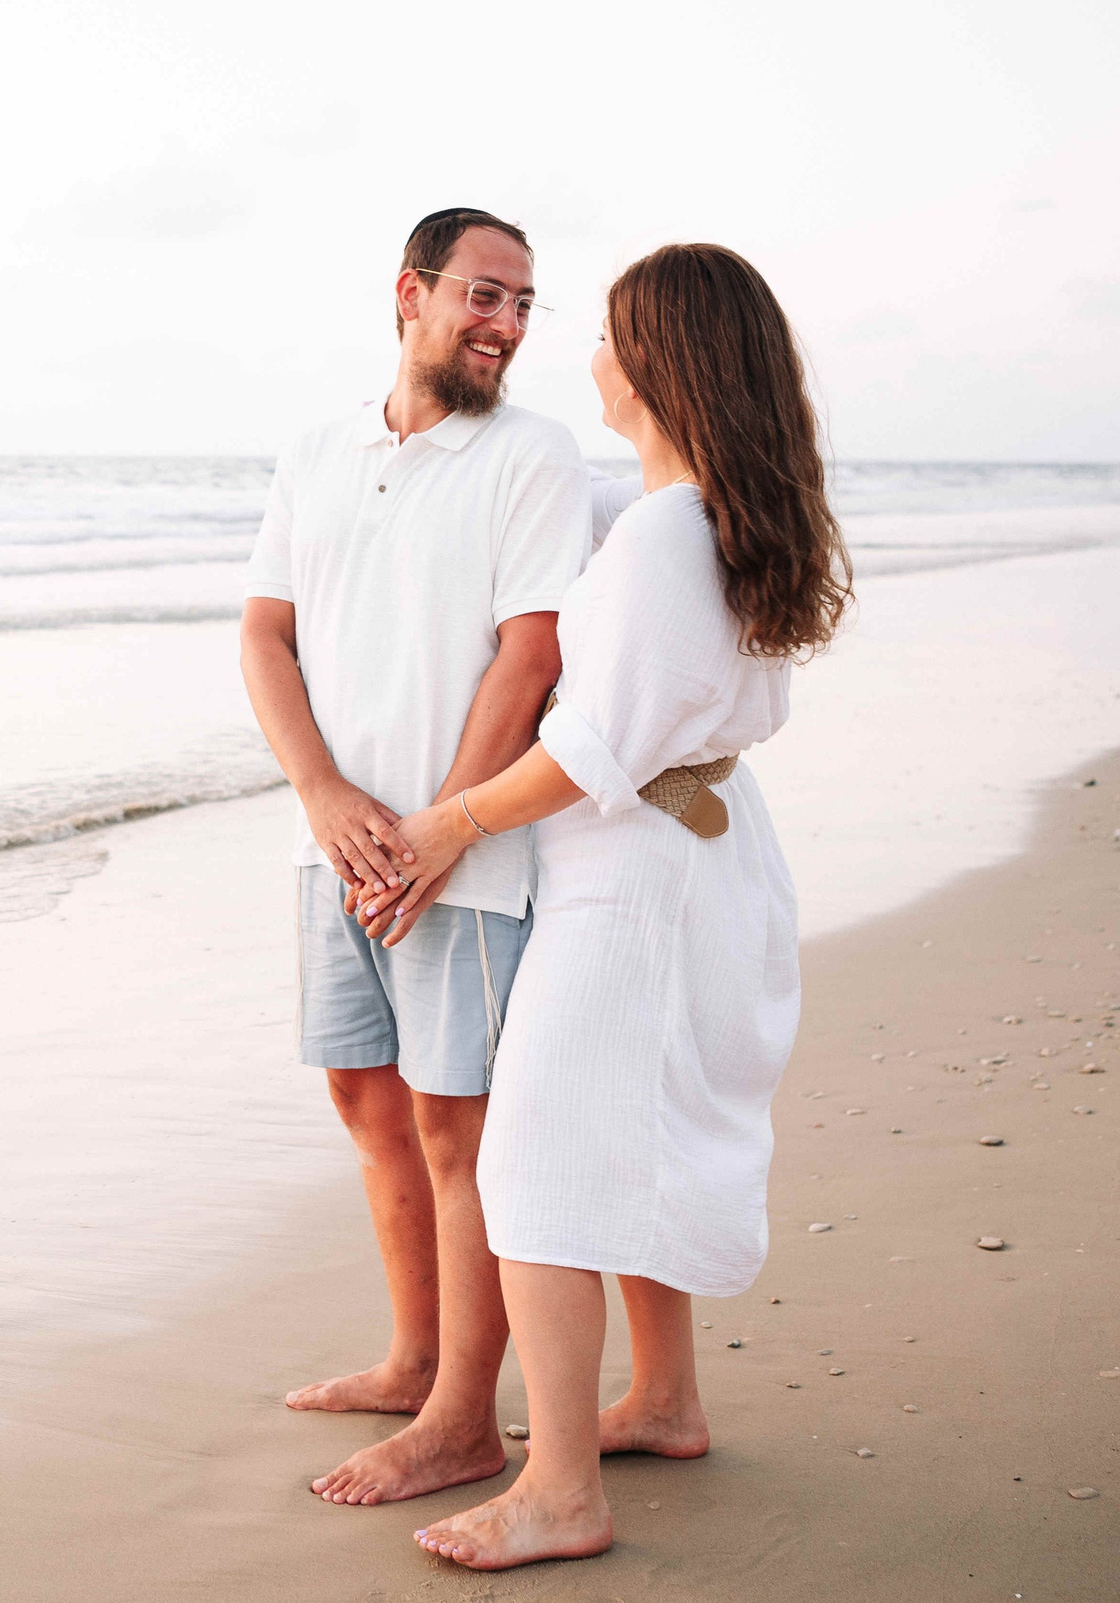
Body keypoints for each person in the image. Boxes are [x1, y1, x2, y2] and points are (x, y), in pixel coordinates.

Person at [348, 242, 851, 1570]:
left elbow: (585, 754)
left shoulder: (656, 544)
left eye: (616, 335)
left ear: (661, 364)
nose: (593, 354)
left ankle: (559, 1487)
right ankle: (667, 1397)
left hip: (633, 879)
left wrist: (444, 822)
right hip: (712, 846)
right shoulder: (717, 519)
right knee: (645, 1128)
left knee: (538, 1164)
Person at [239, 208, 591, 1506]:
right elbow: (266, 637)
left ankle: (461, 1421)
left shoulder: (533, 456)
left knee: (460, 1124)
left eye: (522, 305)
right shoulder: (317, 451)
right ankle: (413, 1357)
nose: (504, 324)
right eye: (485, 296)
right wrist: (324, 792)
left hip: (467, 853)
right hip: (327, 842)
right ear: (412, 292)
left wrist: (442, 830)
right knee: (365, 1099)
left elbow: (533, 654)